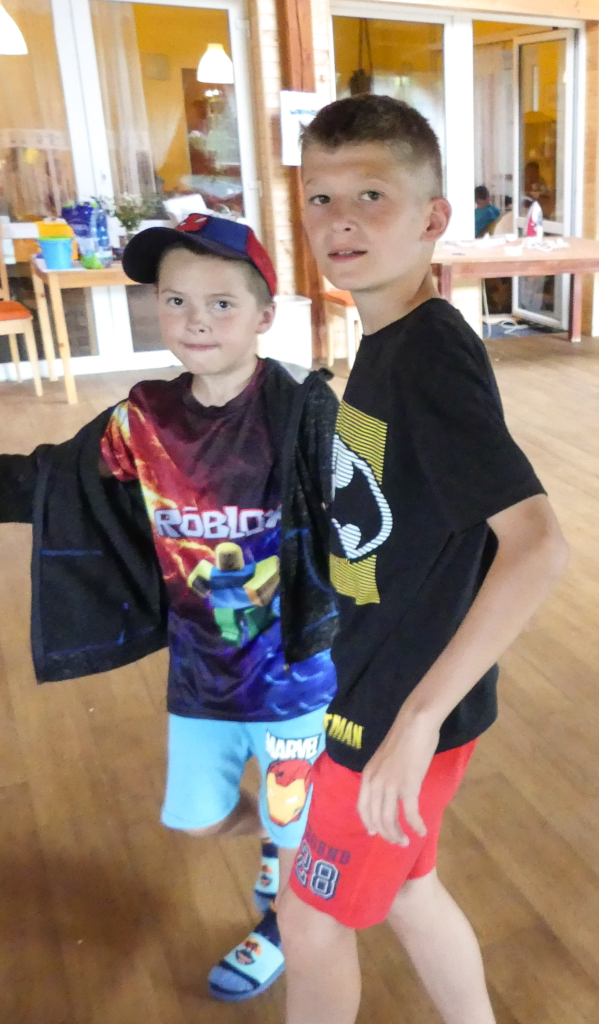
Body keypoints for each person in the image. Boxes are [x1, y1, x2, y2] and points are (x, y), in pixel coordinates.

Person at [0, 214, 339, 1003]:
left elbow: (380, 519)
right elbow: (38, 482)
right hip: (202, 680)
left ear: (265, 316)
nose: (196, 320)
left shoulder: (305, 411)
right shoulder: (144, 421)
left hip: (298, 681)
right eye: (176, 300)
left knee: (303, 839)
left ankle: (281, 923)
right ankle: (278, 836)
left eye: (222, 303)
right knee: (198, 819)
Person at [277, 93, 569, 1024]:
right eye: (320, 198)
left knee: (310, 919)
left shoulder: (427, 358)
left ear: (434, 218)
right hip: (382, 681)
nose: (341, 220)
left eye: (373, 195)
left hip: (394, 709)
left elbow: (537, 546)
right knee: (406, 888)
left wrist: (414, 719)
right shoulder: (390, 344)